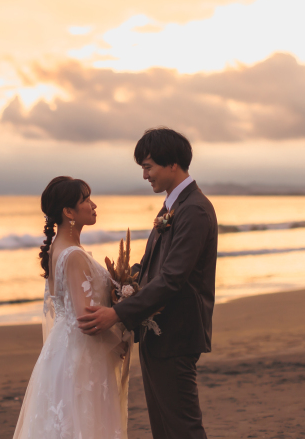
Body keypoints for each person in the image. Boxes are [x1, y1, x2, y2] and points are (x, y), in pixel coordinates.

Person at [78, 128, 218, 439]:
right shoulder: (172, 207)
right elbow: (152, 266)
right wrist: (120, 284)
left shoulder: (193, 210)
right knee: (164, 428)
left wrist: (118, 313)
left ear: (173, 164)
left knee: (182, 427)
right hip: (159, 333)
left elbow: (172, 278)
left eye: (148, 166)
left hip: (177, 332)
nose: (145, 176)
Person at [13, 176, 132, 439]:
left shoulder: (58, 248)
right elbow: (85, 319)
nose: (93, 205)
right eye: (86, 200)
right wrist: (120, 339)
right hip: (82, 359)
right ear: (69, 212)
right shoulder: (74, 255)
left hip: (63, 353)